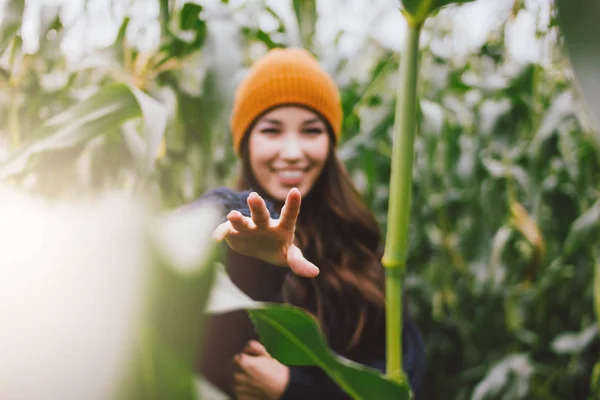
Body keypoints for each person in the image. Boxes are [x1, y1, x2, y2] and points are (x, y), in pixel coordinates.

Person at [195, 47, 425, 399]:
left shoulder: (366, 256)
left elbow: (402, 381)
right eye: (271, 130)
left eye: (311, 131)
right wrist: (240, 233)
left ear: (330, 144)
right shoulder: (230, 237)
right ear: (245, 143)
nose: (292, 152)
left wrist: (293, 390)